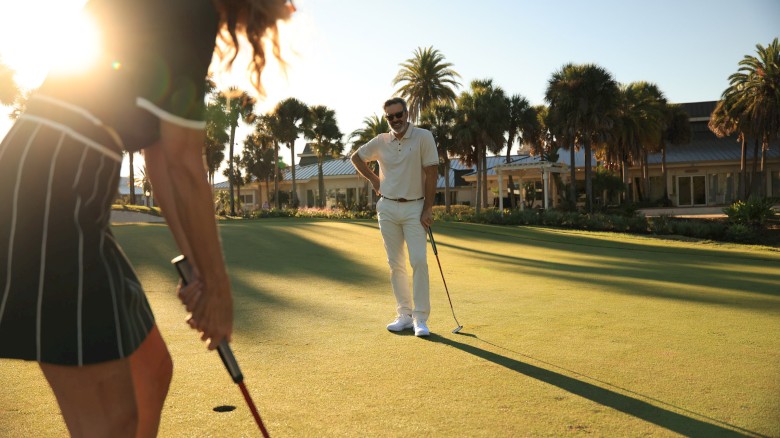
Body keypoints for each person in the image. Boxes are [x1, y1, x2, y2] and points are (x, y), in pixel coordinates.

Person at [0, 0, 292, 436]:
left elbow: (162, 165)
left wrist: (199, 275)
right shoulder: (190, 11)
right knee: (114, 421)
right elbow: (183, 166)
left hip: (65, 188)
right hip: (51, 196)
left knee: (151, 371)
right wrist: (219, 292)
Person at [351, 97, 439, 337]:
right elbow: (356, 157)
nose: (395, 120)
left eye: (398, 115)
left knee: (419, 261)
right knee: (395, 264)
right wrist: (373, 179)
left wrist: (428, 208)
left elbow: (432, 173)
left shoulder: (423, 137)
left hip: (414, 208)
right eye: (390, 117)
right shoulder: (381, 141)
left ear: (407, 113)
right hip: (387, 208)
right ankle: (404, 315)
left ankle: (421, 318)